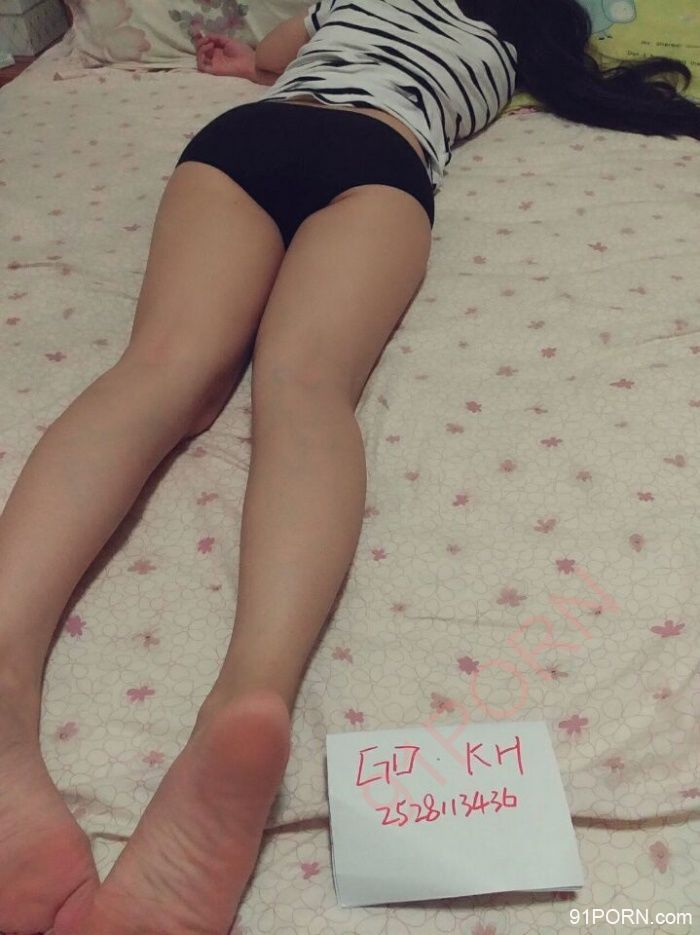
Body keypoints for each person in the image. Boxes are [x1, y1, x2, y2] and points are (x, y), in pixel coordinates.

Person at [0, 0, 697, 933]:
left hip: (247, 140)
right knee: (306, 388)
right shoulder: (516, 39)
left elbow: (267, 56)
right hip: (380, 155)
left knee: (160, 369)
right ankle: (250, 692)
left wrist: (245, 60)